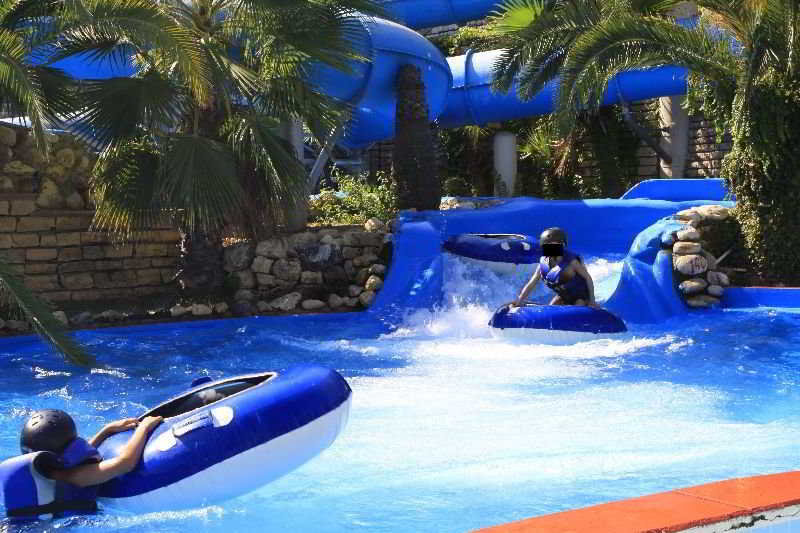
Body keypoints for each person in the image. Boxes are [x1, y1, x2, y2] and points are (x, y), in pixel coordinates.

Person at [0, 409, 162, 521]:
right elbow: (125, 463)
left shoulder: (44, 472)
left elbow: (72, 457)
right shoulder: (77, 477)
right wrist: (144, 428)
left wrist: (106, 430)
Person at [513, 227, 599, 308]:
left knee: (577, 310)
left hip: (581, 297)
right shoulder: (543, 264)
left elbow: (587, 278)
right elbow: (531, 284)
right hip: (563, 296)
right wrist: (520, 300)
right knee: (550, 310)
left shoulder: (572, 262)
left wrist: (592, 301)